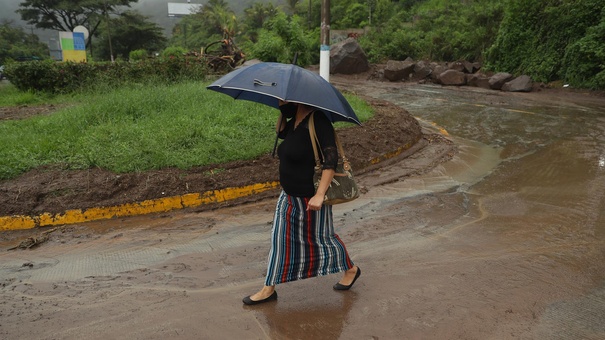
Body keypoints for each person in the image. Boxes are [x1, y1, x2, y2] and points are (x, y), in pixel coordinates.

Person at [243, 101, 361, 305]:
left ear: (298, 98)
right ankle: (268, 288)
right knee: (279, 241)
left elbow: (330, 160)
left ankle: (351, 269)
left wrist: (320, 194)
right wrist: (282, 112)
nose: (281, 102)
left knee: (323, 240)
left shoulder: (318, 121)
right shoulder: (294, 120)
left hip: (309, 199)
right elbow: (281, 133)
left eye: (284, 99)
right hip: (288, 197)